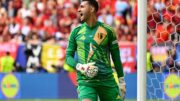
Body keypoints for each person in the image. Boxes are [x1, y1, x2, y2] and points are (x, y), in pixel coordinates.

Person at [65, 0, 126, 101]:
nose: (78, 9)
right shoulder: (76, 32)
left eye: (82, 7)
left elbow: (116, 58)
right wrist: (80, 66)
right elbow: (68, 57)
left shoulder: (108, 31)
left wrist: (121, 80)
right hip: (85, 81)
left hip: (106, 80)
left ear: (92, 9)